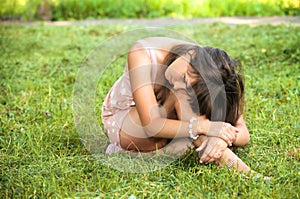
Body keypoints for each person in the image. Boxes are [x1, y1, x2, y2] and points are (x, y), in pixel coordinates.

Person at [101, 37, 258, 176]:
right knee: (180, 98)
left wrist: (221, 137)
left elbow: (243, 132)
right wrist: (207, 126)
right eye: (183, 78)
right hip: (127, 122)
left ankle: (175, 148)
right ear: (191, 54)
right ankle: (241, 169)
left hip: (173, 125)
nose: (176, 84)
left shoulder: (206, 69)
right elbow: (152, 125)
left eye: (187, 86)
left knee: (187, 105)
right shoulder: (142, 53)